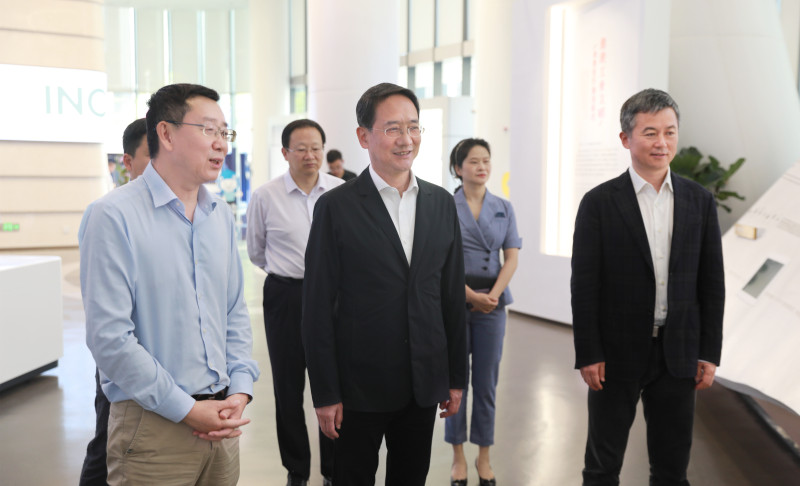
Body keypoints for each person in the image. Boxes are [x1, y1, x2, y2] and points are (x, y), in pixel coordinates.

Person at [79, 83, 260, 486]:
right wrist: (187, 409)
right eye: (209, 130)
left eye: (225, 132)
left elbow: (234, 314)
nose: (221, 144)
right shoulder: (113, 215)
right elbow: (110, 338)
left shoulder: (219, 215)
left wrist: (240, 390)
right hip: (152, 427)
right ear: (166, 133)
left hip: (223, 423)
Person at [301, 82, 468, 486]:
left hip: (423, 382)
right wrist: (325, 392)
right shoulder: (336, 207)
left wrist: (455, 377)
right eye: (393, 128)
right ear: (364, 136)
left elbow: (450, 296)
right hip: (358, 386)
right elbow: (317, 307)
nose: (406, 139)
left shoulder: (441, 203)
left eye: (413, 127)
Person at [571, 88, 724, 485]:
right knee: (602, 466)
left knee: (672, 469)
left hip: (679, 354)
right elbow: (584, 286)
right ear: (626, 139)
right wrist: (589, 353)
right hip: (615, 354)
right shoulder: (599, 203)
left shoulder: (699, 201)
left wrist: (708, 351)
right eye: (650, 132)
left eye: (670, 132)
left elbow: (712, 283)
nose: (662, 143)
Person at [246, 119, 343, 486]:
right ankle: (297, 471)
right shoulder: (265, 196)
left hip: (333, 297)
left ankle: (332, 469)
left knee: (332, 384)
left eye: (316, 148)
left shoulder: (340, 192)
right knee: (287, 388)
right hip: (286, 295)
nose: (309, 155)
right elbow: (256, 251)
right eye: (301, 149)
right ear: (285, 153)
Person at [78, 117, 152, 486]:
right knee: (107, 440)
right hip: (123, 357)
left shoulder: (191, 211)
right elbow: (105, 322)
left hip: (170, 364)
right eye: (151, 154)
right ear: (128, 161)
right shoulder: (108, 214)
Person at [445, 138, 521, 486]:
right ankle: (458, 456)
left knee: (487, 383)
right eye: (474, 161)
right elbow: (439, 260)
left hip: (493, 302)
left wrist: (492, 295)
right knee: (455, 381)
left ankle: (484, 456)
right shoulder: (445, 206)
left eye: (486, 160)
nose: (482, 167)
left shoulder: (504, 206)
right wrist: (470, 296)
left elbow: (512, 257)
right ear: (458, 168)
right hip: (455, 299)